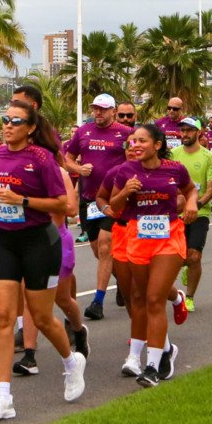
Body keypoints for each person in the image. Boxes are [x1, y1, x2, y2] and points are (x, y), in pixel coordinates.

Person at [0, 100, 86, 421]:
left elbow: (63, 205)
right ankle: (3, 398)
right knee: (2, 317)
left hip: (39, 243)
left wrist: (22, 200)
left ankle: (71, 361)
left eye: (15, 120)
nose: (8, 125)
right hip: (4, 242)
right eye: (5, 119)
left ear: (30, 128)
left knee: (41, 318)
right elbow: (2, 196)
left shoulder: (42, 159)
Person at [99, 123, 194, 387]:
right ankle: (166, 350)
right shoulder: (125, 171)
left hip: (169, 237)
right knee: (139, 298)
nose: (136, 145)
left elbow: (190, 189)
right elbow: (114, 209)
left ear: (158, 145)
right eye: (133, 142)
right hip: (137, 238)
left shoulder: (175, 169)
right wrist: (125, 192)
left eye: (142, 141)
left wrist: (193, 203)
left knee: (154, 299)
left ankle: (151, 368)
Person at [63, 92, 132, 320]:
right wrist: (78, 169)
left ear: (113, 111)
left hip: (113, 199)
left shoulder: (125, 133)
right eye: (95, 108)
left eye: (103, 109)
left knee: (105, 246)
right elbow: (68, 157)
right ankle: (123, 283)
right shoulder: (84, 131)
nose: (98, 113)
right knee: (98, 251)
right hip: (89, 199)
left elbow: (135, 159)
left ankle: (98, 302)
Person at [170, 117, 212, 307]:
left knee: (194, 256)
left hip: (200, 213)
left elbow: (211, 189)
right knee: (179, 257)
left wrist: (196, 205)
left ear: (199, 132)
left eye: (189, 130)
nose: (185, 134)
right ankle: (187, 268)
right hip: (177, 213)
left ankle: (189, 297)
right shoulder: (173, 154)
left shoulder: (208, 157)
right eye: (182, 131)